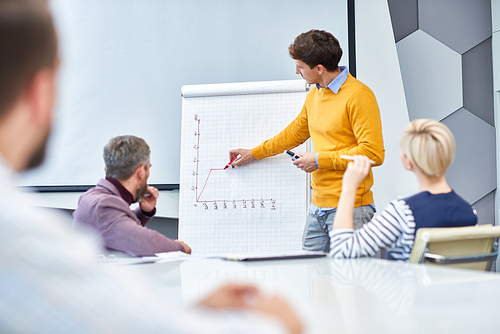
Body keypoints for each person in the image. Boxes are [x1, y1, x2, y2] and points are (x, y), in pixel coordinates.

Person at [0, 1, 302, 333]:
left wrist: (144, 217)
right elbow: (137, 251)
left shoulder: (99, 199)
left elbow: (114, 251)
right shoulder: (27, 224)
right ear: (40, 93)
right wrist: (272, 324)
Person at [229, 29, 385, 252]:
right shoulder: (315, 94)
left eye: (300, 67)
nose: (296, 71)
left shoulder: (359, 96)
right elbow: (293, 134)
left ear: (319, 68)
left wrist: (320, 160)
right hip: (318, 209)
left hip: (352, 210)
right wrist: (254, 153)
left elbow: (372, 153)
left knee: (354, 282)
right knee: (312, 281)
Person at [329, 119, 477, 260]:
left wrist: (349, 187)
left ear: (409, 162)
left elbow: (340, 252)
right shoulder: (469, 211)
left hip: (410, 287)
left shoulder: (402, 213)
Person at [73, 135, 191, 257]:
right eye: (148, 168)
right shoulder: (103, 206)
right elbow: (145, 242)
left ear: (106, 169)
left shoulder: (92, 197)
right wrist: (180, 248)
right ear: (141, 172)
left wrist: (144, 212)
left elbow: (118, 231)